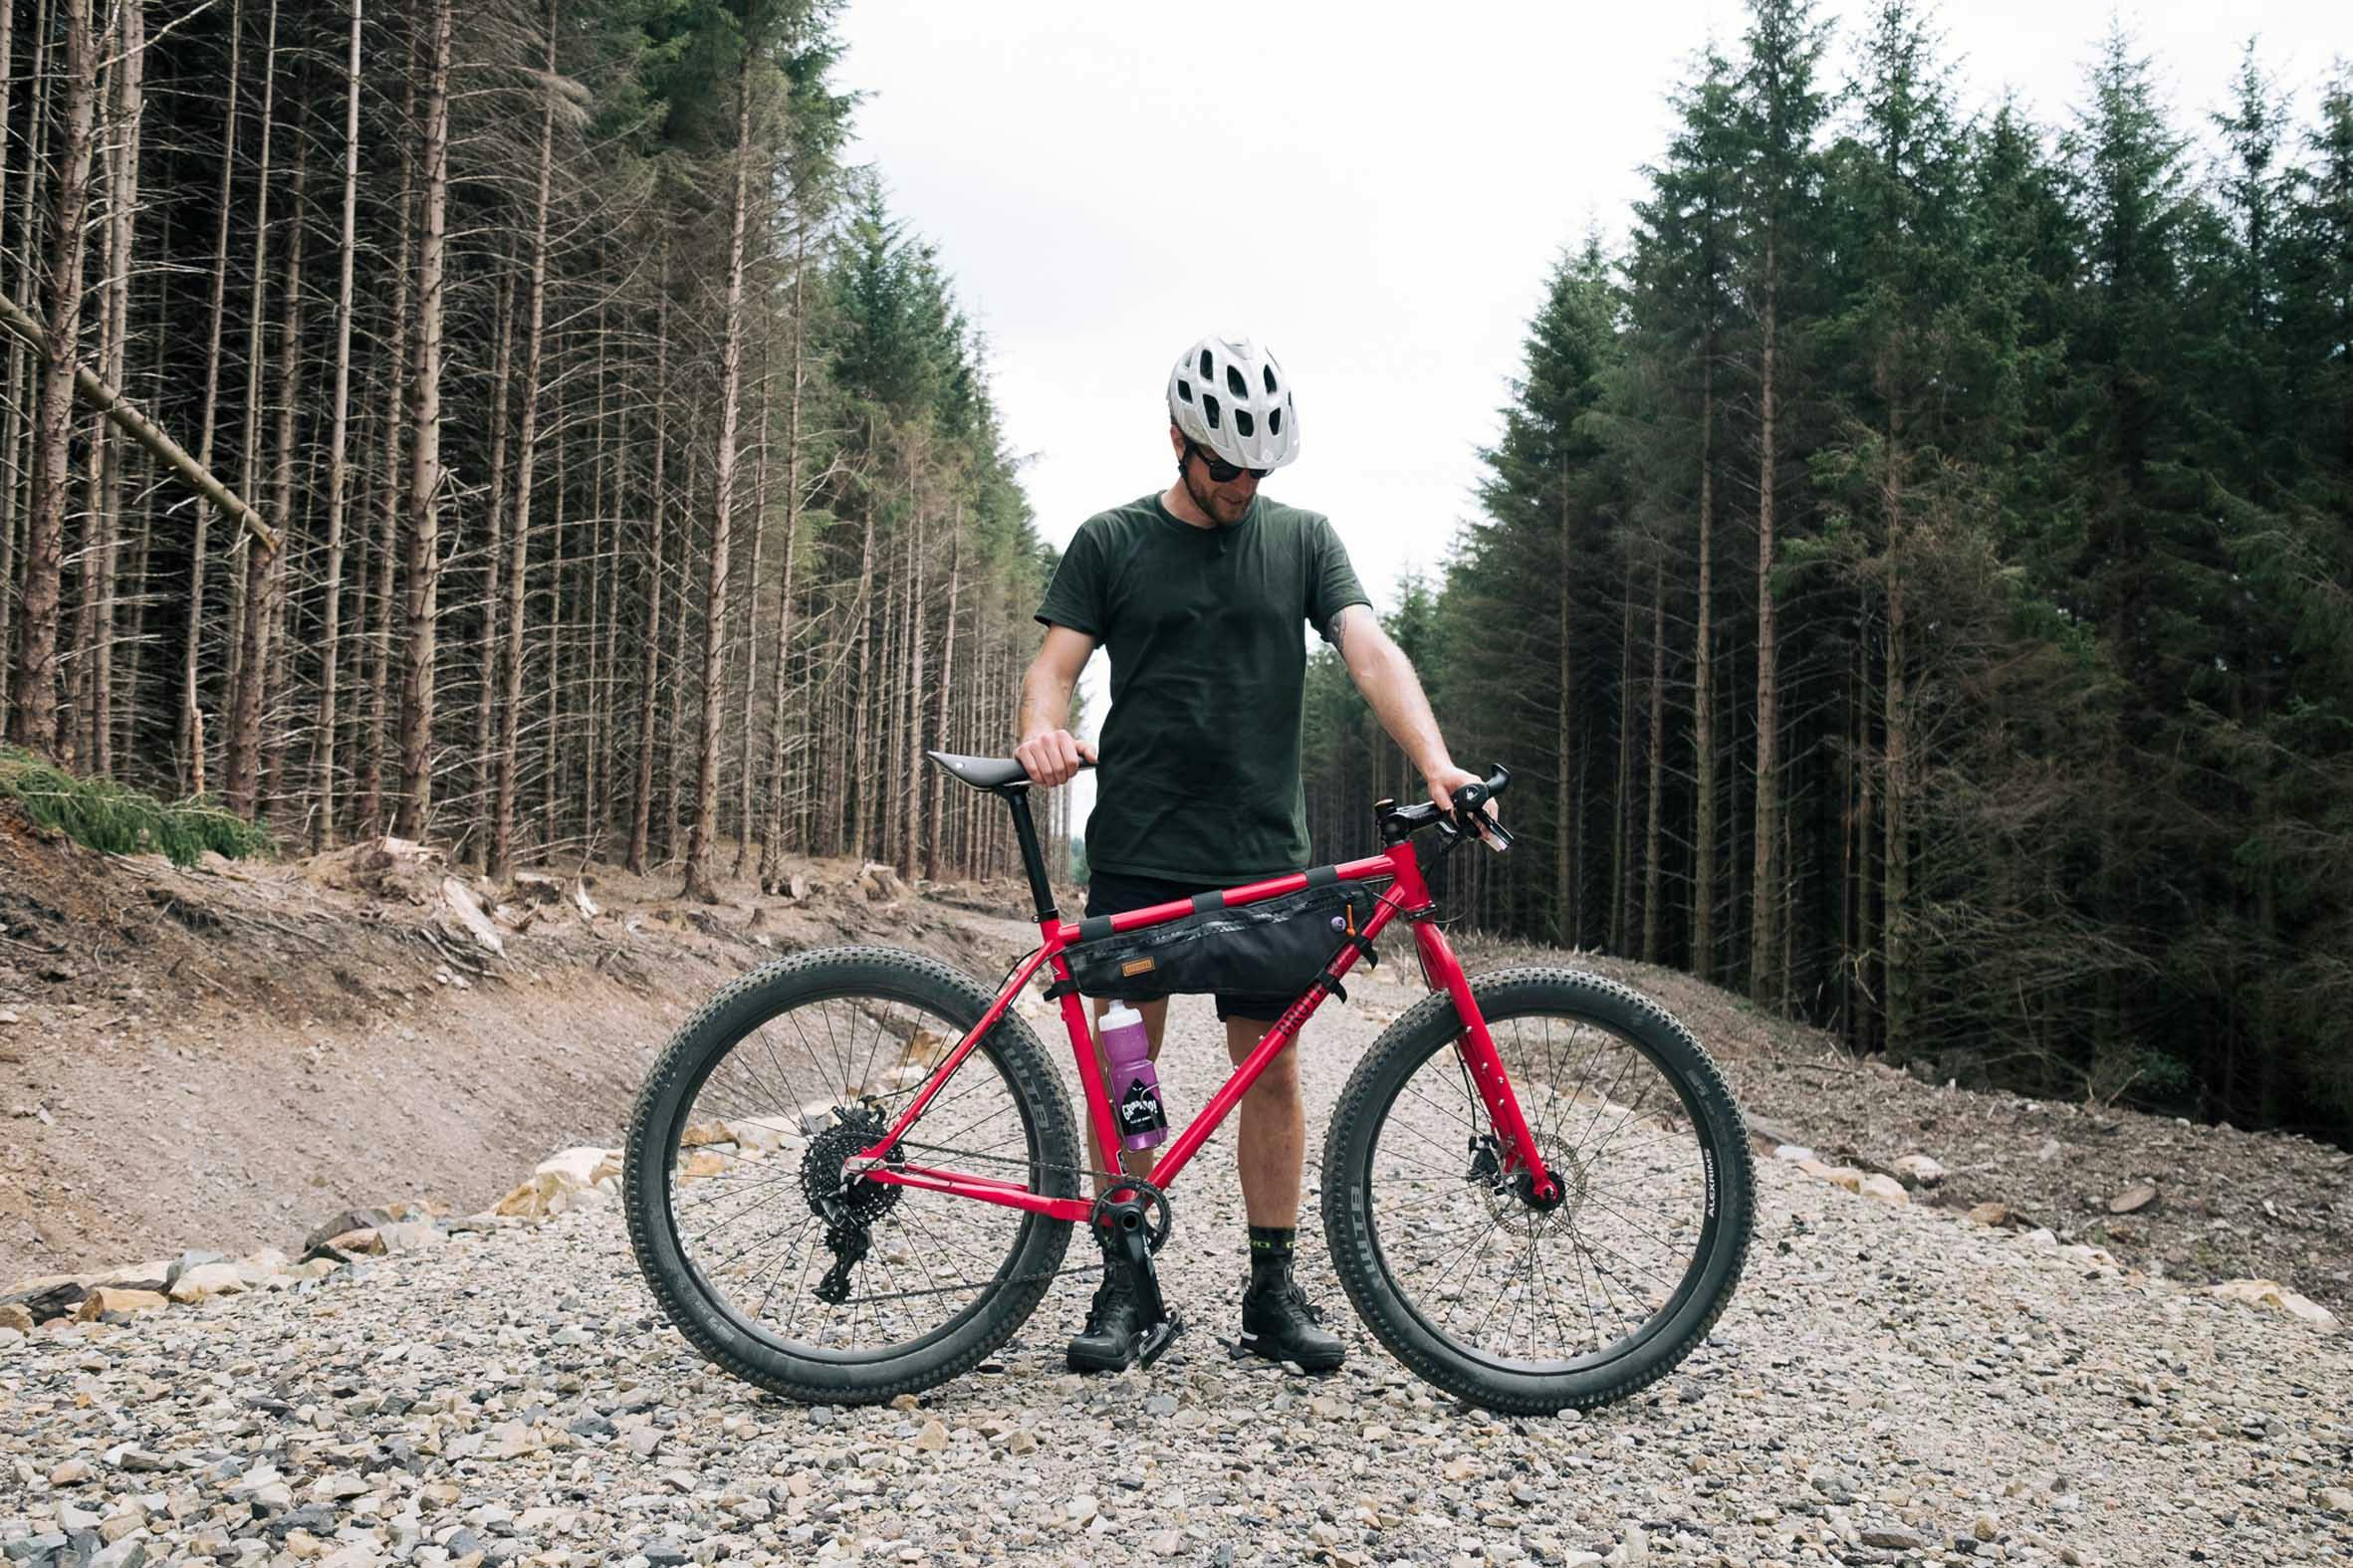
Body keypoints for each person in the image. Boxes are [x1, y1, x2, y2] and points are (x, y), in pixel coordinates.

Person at [1016, 334, 1493, 1375]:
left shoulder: (1304, 540)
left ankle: (1271, 1290)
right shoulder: (1110, 541)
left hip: (1265, 858)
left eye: (1259, 469)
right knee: (1127, 1070)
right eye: (1225, 465)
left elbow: (1368, 648)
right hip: (1139, 847)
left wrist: (1434, 761)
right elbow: (1052, 666)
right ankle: (1128, 1279)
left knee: (1269, 1071)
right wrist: (1043, 730)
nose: (1242, 485)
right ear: (1177, 442)